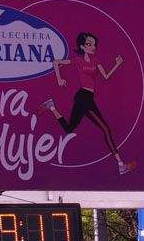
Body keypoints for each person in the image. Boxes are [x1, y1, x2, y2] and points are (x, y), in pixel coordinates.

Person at [41, 32, 136, 175]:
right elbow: (56, 62)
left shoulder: (96, 60)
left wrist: (117, 64)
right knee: (105, 129)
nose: (93, 46)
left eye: (94, 44)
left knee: (69, 129)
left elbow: (106, 76)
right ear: (82, 47)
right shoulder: (78, 60)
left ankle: (51, 106)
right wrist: (59, 79)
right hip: (83, 97)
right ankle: (121, 165)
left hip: (87, 98)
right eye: (89, 44)